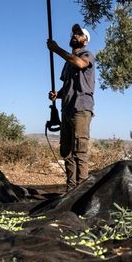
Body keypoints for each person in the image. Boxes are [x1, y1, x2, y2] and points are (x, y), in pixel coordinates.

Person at [47, 24, 95, 190]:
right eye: (74, 33)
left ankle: (81, 192)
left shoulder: (87, 55)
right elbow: (68, 86)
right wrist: (57, 95)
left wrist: (56, 49)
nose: (75, 35)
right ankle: (70, 190)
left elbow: (80, 64)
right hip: (66, 109)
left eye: (80, 34)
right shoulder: (68, 63)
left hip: (80, 108)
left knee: (79, 151)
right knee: (66, 152)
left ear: (85, 42)